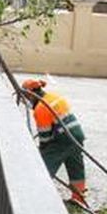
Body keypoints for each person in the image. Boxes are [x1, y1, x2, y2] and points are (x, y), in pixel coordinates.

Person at [21, 78, 86, 206]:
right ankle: (79, 198)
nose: (27, 101)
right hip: (77, 134)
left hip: (63, 139)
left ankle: (37, 196)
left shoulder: (40, 109)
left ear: (30, 94)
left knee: (44, 166)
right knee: (75, 166)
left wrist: (41, 151)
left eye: (26, 97)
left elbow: (45, 138)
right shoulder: (53, 96)